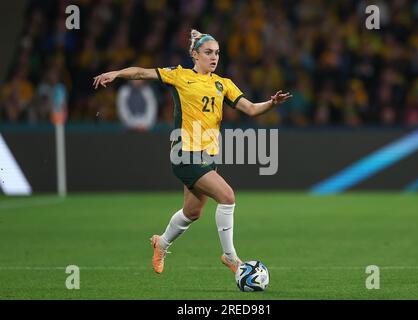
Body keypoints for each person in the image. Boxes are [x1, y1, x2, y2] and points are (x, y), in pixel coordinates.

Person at [93, 29, 292, 274]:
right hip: (185, 154)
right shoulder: (180, 76)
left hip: (209, 156)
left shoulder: (223, 84)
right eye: (208, 52)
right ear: (195, 55)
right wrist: (117, 73)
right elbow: (142, 73)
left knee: (192, 212)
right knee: (227, 197)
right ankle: (230, 257)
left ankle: (161, 242)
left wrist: (271, 103)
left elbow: (250, 109)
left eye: (217, 53)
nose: (214, 57)